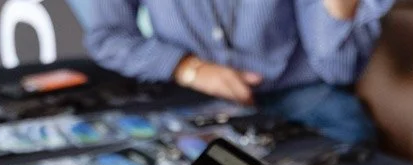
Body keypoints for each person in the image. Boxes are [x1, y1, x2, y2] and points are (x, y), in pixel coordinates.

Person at [66, 0, 394, 146]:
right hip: (188, 97)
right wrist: (187, 67)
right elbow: (107, 37)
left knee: (352, 135)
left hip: (294, 96)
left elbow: (338, 69)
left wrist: (339, 7)